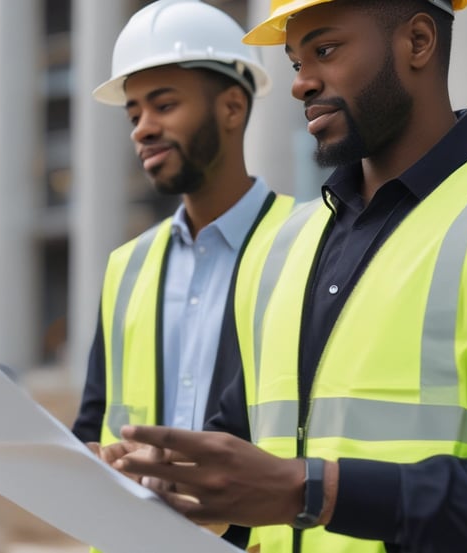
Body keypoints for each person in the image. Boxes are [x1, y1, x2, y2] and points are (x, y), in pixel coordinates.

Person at [100, 1, 467, 552]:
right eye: (296, 64)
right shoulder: (283, 249)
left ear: (417, 42)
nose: (301, 84)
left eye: (325, 50)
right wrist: (175, 481)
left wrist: (315, 492)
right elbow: (248, 473)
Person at [70, 0, 293, 547]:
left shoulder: (308, 244)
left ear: (232, 107)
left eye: (164, 105)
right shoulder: (127, 267)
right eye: (133, 115)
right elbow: (93, 424)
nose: (142, 129)